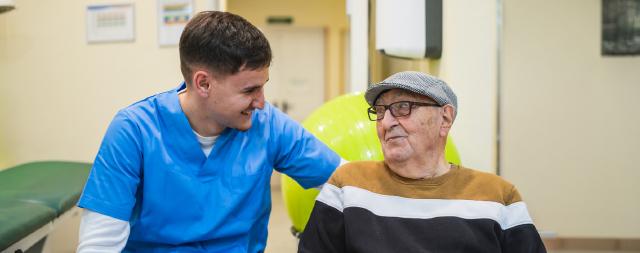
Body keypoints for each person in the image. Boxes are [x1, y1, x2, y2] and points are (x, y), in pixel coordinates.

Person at [77, 11, 340, 252]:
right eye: (249, 90)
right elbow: (100, 243)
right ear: (203, 83)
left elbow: (345, 178)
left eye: (262, 87)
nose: (261, 102)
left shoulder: (267, 124)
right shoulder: (134, 130)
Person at [298, 71, 546, 252]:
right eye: (381, 111)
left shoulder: (497, 196)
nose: (385, 123)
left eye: (403, 107)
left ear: (445, 118)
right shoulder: (348, 185)